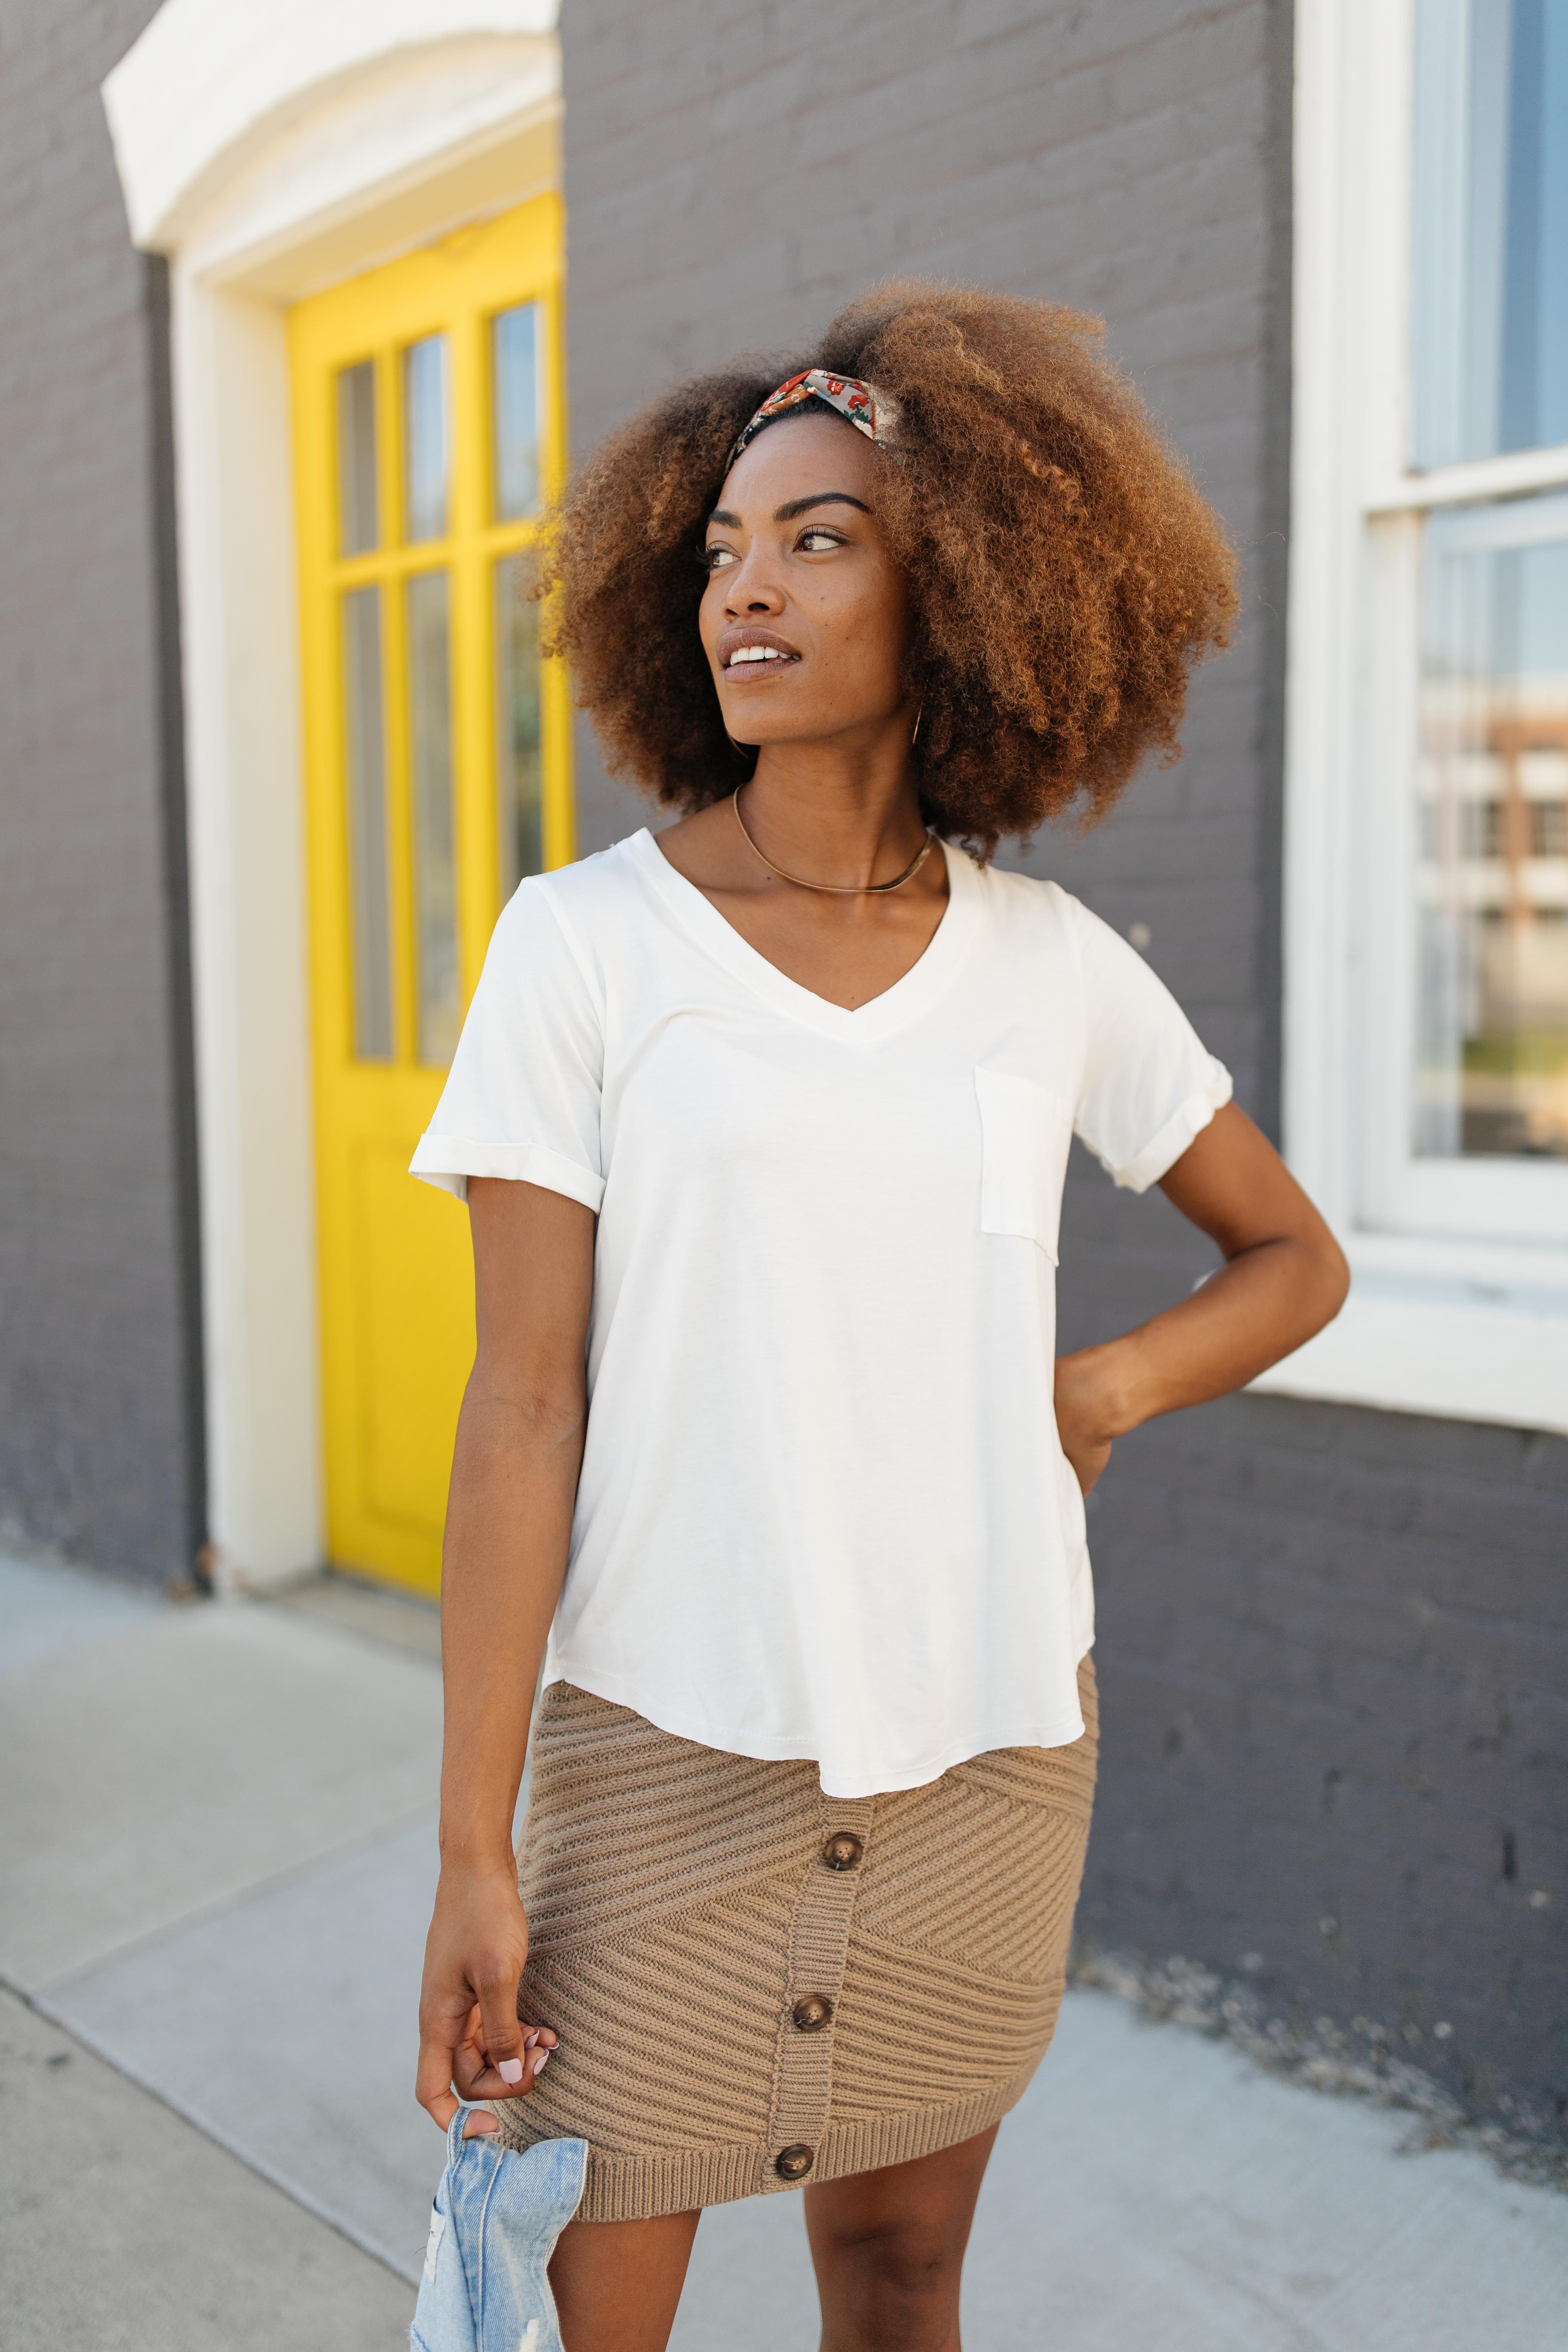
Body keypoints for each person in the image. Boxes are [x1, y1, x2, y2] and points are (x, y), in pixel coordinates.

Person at [409, 283, 1349, 2352]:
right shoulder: (579, 950)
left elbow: (1292, 1255)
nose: (747, 584)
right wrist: (474, 1842)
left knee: (906, 2272)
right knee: (585, 2317)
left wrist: (1099, 1385)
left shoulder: (1053, 966)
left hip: (989, 1744)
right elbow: (523, 1403)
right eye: (724, 547)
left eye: (817, 537)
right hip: (661, 1755)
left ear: (973, 592)